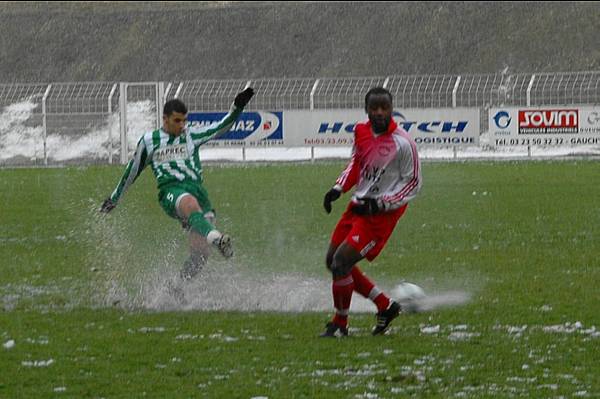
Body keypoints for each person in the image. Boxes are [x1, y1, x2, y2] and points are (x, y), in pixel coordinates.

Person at [99, 87, 255, 281]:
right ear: (165, 119)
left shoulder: (191, 136)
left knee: (200, 254)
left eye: (184, 120)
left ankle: (178, 287)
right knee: (189, 203)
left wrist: (237, 107)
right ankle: (217, 239)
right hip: (170, 192)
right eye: (177, 120)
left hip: (199, 194)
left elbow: (221, 127)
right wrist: (114, 198)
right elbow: (132, 171)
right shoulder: (150, 141)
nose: (182, 125)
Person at [320, 87, 422, 337]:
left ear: (391, 108)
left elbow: (413, 183)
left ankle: (340, 324)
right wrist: (339, 187)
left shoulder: (404, 143)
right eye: (374, 108)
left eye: (384, 107)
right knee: (332, 261)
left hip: (380, 216)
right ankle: (385, 305)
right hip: (357, 206)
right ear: (366, 110)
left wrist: (383, 203)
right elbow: (357, 162)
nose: (379, 112)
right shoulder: (361, 131)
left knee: (341, 262)